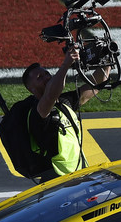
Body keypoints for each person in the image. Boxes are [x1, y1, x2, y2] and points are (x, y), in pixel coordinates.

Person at [21, 47, 110, 181]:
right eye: (40, 78)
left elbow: (97, 83)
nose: (46, 78)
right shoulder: (37, 111)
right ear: (31, 89)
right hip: (56, 181)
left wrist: (107, 57)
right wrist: (66, 65)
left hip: (79, 175)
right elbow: (51, 95)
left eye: (46, 74)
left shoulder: (64, 103)